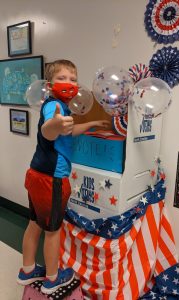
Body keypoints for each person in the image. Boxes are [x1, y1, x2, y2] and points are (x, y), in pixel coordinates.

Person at [17, 59, 110, 294]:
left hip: (36, 173)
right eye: (62, 78)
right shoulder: (54, 107)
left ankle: (27, 271)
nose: (69, 82)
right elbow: (48, 131)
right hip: (52, 180)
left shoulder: (63, 108)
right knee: (53, 231)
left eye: (73, 79)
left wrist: (90, 123)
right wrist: (55, 123)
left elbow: (66, 132)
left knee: (34, 224)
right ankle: (52, 279)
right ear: (50, 84)